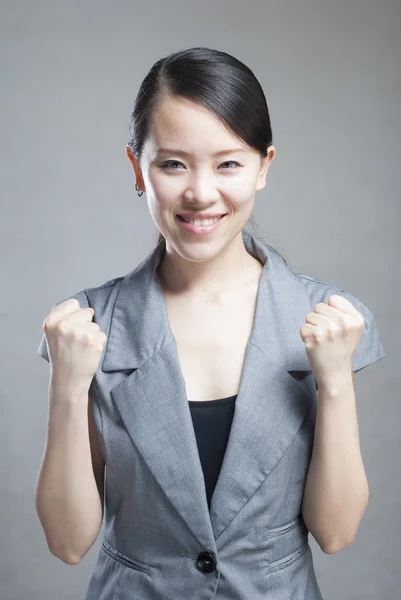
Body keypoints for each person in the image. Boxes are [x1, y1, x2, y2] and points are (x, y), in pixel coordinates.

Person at [35, 46, 386, 600]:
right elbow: (68, 541)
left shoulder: (327, 321)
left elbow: (336, 533)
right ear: (136, 167)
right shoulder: (87, 327)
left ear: (264, 166)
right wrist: (67, 386)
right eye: (173, 163)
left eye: (229, 163)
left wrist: (336, 382)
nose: (200, 192)